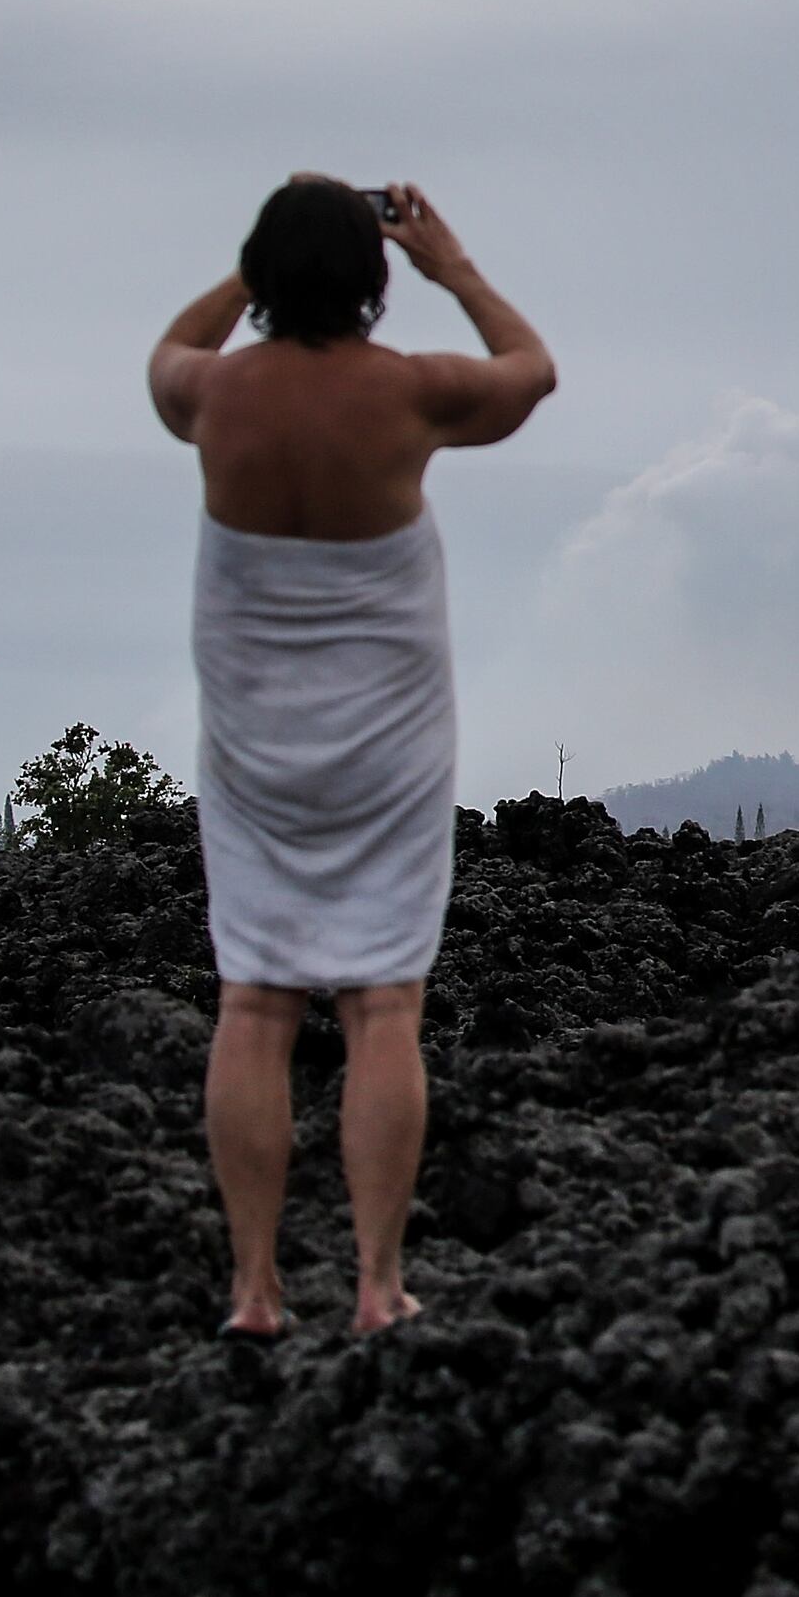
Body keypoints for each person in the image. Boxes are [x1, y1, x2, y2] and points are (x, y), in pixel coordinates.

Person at [147, 178, 555, 1337]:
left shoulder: (214, 396)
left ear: (263, 280)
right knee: (383, 1000)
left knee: (257, 997)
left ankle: (255, 1288)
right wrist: (451, 265)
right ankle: (377, 1282)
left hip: (255, 746)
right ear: (377, 281)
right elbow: (533, 369)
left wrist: (253, 269)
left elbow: (172, 346)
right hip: (388, 744)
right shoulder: (414, 391)